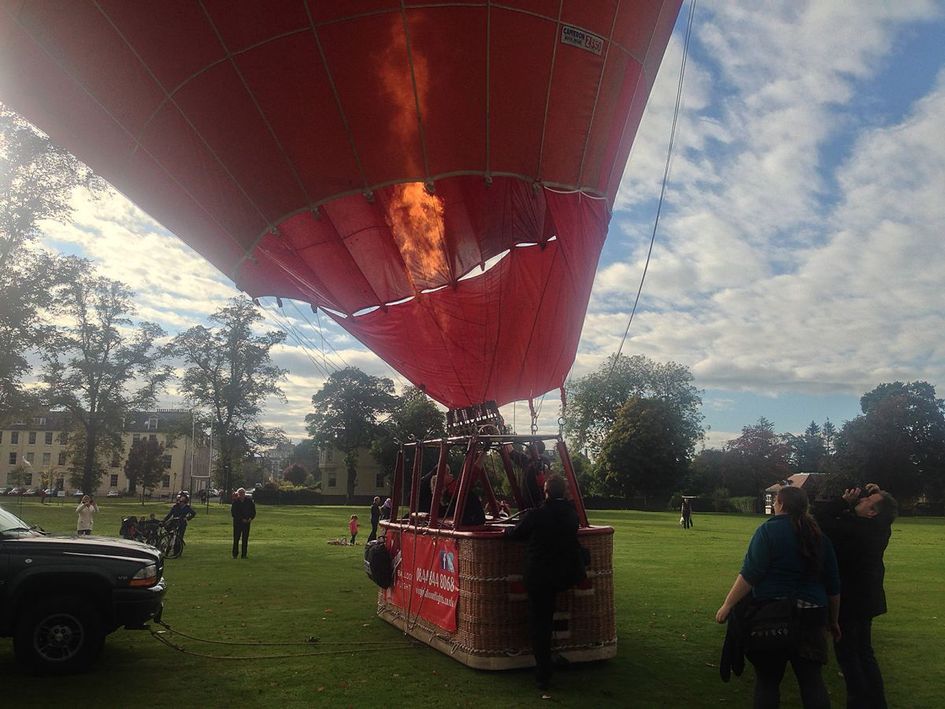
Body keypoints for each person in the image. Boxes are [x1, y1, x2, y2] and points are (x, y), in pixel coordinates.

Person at [716, 485, 841, 709]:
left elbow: (751, 574)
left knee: (768, 683)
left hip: (771, 617)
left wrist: (728, 605)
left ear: (781, 504)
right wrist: (833, 621)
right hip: (813, 615)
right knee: (812, 682)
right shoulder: (820, 538)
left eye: (775, 502)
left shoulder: (768, 531)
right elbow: (833, 587)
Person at [814, 483, 897, 709]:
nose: (860, 500)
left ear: (871, 513)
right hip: (869, 599)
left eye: (866, 501)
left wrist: (843, 501)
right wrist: (876, 493)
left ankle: (858, 702)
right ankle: (877, 702)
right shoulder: (881, 528)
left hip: (850, 601)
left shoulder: (853, 528)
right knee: (865, 652)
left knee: (848, 655)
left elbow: (819, 518)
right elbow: (883, 509)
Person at [504, 474, 583, 694]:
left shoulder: (538, 514)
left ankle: (543, 674)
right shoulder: (571, 514)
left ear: (545, 492)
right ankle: (554, 658)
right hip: (563, 576)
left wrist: (505, 531)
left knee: (540, 624)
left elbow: (516, 533)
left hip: (539, 577)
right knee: (549, 618)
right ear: (564, 492)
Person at [231, 487, 257, 559]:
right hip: (238, 524)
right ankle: (235, 554)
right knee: (236, 539)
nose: (242, 494)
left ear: (245, 493)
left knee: (245, 539)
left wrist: (250, 518)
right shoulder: (235, 502)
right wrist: (241, 519)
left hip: (247, 523)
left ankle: (244, 555)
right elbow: (234, 513)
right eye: (240, 493)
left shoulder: (249, 502)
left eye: (243, 493)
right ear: (238, 494)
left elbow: (253, 511)